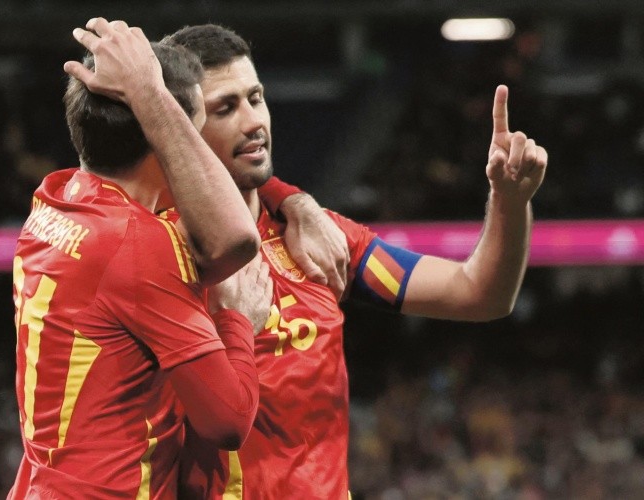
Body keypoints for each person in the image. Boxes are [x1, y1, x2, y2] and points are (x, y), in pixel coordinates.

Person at [157, 24, 545, 499]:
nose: (253, 121)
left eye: (255, 98)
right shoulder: (157, 251)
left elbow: (479, 293)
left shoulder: (324, 239)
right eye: (226, 108)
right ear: (184, 127)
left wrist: (509, 201)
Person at [8, 22, 276, 499]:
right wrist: (237, 321)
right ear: (162, 139)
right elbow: (227, 420)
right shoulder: (136, 245)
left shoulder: (56, 197)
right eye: (192, 134)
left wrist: (293, 201)